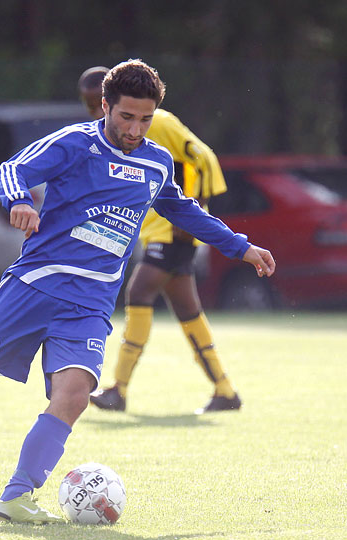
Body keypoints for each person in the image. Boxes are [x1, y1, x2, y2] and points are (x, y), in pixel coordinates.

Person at [0, 59, 275, 523]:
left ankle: (14, 497)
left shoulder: (156, 162)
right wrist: (19, 203)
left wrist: (240, 246)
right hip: (34, 286)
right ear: (105, 107)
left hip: (90, 303)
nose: (135, 129)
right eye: (126, 117)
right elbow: (11, 171)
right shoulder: (76, 143)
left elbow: (184, 210)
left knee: (74, 397)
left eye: (145, 119)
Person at [79, 66, 240, 415]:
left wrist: (199, 206)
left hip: (173, 231)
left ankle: (118, 389)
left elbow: (204, 158)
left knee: (138, 292)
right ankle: (225, 391)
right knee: (187, 310)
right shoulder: (107, 136)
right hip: (156, 230)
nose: (94, 111)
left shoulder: (160, 122)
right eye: (90, 105)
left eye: (97, 103)